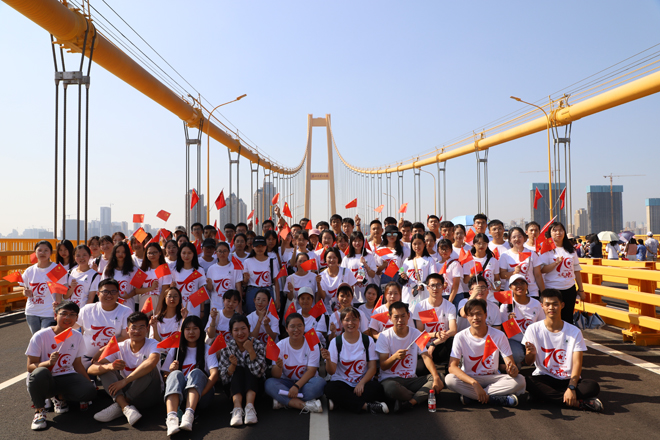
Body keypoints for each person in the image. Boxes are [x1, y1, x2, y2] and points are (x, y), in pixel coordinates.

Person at [522, 289, 603, 412]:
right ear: (542, 306)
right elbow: (528, 362)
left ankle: (545, 396)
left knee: (592, 386)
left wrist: (571, 387)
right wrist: (530, 354)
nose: (551, 308)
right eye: (547, 304)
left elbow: (577, 363)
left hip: (568, 379)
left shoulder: (574, 331)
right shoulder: (533, 329)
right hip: (545, 377)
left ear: (562, 305)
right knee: (526, 381)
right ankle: (577, 403)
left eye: (555, 304)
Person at [26, 301, 97, 430]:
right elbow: (30, 366)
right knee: (40, 372)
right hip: (45, 378)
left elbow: (77, 364)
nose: (68, 318)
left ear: (76, 318)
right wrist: (49, 363)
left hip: (65, 375)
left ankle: (59, 397)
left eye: (72, 314)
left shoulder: (77, 336)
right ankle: (39, 411)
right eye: (64, 314)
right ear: (55, 316)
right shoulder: (40, 336)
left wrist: (89, 384)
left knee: (89, 391)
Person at [446, 298, 525, 407]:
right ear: (467, 317)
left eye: (479, 314)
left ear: (485, 315)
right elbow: (452, 367)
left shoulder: (499, 335)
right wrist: (474, 383)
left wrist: (512, 370)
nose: (475, 318)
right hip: (470, 378)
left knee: (520, 380)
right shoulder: (460, 336)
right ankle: (496, 399)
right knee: (450, 380)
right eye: (471, 315)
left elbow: (511, 366)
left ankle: (474, 396)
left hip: (493, 378)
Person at [89, 312, 162, 426]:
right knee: (104, 369)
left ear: (147, 329)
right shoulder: (121, 346)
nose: (137, 331)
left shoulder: (153, 343)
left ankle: (120, 404)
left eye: (141, 327)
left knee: (150, 368)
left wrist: (125, 381)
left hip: (149, 393)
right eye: (134, 327)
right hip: (128, 389)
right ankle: (125, 407)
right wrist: (110, 366)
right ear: (127, 330)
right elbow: (91, 369)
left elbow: (152, 362)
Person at [375, 301, 443, 412]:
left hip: (411, 379)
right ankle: (422, 396)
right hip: (391, 380)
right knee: (391, 388)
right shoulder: (384, 336)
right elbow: (383, 366)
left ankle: (410, 402)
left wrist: (435, 377)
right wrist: (394, 357)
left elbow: (426, 357)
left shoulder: (416, 333)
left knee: (439, 377)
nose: (400, 320)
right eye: (396, 317)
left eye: (403, 316)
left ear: (408, 316)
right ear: (390, 318)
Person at [321, 307, 389, 414]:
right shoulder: (336, 342)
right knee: (330, 389)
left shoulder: (368, 340)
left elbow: (372, 368)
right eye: (347, 320)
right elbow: (331, 371)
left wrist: (361, 383)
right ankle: (366, 406)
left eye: (354, 319)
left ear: (359, 321)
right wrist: (329, 360)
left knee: (377, 388)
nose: (350, 323)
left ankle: (341, 403)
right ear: (341, 322)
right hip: (342, 382)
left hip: (362, 383)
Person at [162, 315, 219, 436]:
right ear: (183, 332)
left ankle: (189, 415)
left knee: (196, 372)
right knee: (175, 374)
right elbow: (165, 376)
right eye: (187, 329)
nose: (191, 332)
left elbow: (214, 375)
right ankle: (171, 418)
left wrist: (199, 394)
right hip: (180, 396)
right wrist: (170, 371)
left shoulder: (207, 349)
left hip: (202, 397)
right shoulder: (175, 350)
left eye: (195, 328)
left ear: (201, 330)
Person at [265, 313, 326, 413]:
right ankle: (304, 405)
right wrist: (279, 367)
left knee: (320, 383)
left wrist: (296, 386)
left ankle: (284, 401)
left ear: (304, 327)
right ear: (286, 329)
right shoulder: (280, 346)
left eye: (299, 326)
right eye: (292, 326)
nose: (296, 330)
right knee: (269, 384)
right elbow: (275, 375)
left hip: (306, 383)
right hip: (287, 383)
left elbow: (311, 371)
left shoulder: (312, 344)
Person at [218, 315, 267, 426]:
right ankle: (237, 409)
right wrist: (232, 366)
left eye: (243, 328)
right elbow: (224, 378)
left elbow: (259, 372)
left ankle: (250, 407)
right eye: (236, 330)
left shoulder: (258, 344)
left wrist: (251, 351)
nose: (240, 333)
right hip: (233, 390)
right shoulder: (227, 347)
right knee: (238, 369)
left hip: (256, 389)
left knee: (248, 368)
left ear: (249, 328)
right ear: (231, 332)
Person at [77, 279, 132, 368]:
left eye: (113, 292)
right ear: (98, 294)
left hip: (111, 359)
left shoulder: (125, 311)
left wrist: (102, 351)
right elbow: (72, 326)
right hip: (86, 357)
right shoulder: (87, 309)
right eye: (105, 292)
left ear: (118, 294)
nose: (109, 295)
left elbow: (125, 337)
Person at [411, 273, 457, 372]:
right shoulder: (421, 306)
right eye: (432, 285)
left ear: (443, 287)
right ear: (427, 288)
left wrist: (434, 343)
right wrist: (435, 334)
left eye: (438, 285)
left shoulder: (449, 306)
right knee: (420, 370)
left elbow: (453, 330)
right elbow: (419, 333)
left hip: (441, 344)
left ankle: (449, 368)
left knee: (453, 340)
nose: (435, 288)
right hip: (425, 346)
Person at [540, 222, 584, 323]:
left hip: (569, 288)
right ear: (550, 233)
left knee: (568, 318)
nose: (558, 233)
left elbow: (576, 270)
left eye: (560, 230)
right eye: (554, 230)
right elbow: (542, 270)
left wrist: (581, 289)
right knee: (553, 318)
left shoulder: (571, 249)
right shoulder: (546, 250)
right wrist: (555, 263)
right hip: (552, 289)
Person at [499, 274, 544, 369]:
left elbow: (542, 325)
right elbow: (503, 333)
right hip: (514, 340)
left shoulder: (536, 303)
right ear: (510, 287)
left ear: (527, 286)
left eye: (522, 283)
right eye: (515, 283)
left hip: (532, 340)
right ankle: (519, 364)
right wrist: (509, 323)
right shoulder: (505, 306)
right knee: (516, 355)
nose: (519, 286)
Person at [22, 241, 65, 334]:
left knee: (45, 337)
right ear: (35, 252)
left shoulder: (57, 269)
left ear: (50, 253)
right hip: (32, 312)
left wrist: (57, 310)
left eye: (46, 250)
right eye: (40, 250)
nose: (43, 253)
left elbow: (59, 292)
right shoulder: (29, 270)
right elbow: (24, 289)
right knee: (36, 338)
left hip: (49, 312)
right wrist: (25, 292)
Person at [500, 227, 544, 297]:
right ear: (510, 240)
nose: (517, 239)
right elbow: (502, 275)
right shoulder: (505, 255)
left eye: (520, 236)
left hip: (531, 292)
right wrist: (513, 273)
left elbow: (538, 275)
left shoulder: (532, 254)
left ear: (524, 238)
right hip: (512, 292)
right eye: (514, 237)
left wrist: (543, 293)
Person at [242, 235, 280, 315]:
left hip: (268, 291)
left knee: (268, 316)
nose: (260, 248)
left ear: (266, 247)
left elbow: (276, 282)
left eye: (262, 246)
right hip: (252, 292)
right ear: (253, 247)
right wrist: (245, 279)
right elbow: (244, 283)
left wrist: (278, 299)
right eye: (257, 246)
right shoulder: (247, 261)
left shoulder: (272, 261)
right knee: (252, 316)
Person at [398, 233, 438, 306]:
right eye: (414, 244)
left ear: (424, 244)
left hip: (423, 295)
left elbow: (433, 277)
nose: (417, 246)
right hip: (407, 296)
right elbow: (400, 274)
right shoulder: (407, 260)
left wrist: (422, 286)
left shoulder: (430, 260)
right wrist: (403, 277)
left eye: (419, 243)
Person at [171, 242, 208, 318]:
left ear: (193, 254)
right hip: (178, 309)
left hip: (194, 309)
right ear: (180, 254)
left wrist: (202, 310)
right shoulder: (175, 271)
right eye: (184, 253)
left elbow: (201, 291)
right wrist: (171, 287)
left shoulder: (199, 270)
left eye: (189, 253)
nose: (186, 256)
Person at [341, 231, 378, 304]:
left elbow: (372, 275)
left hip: (367, 296)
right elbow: (343, 276)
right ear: (351, 242)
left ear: (363, 242)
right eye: (355, 241)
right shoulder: (346, 259)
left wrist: (365, 264)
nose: (357, 243)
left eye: (359, 240)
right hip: (353, 297)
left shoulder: (369, 256)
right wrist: (355, 281)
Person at [206, 241, 244, 313]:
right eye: (219, 251)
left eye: (225, 251)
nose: (222, 253)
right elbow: (210, 289)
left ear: (229, 252)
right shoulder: (211, 269)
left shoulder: (235, 267)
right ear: (216, 253)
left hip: (231, 305)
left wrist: (239, 306)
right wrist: (209, 283)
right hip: (216, 304)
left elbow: (239, 288)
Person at [318, 247, 357, 313]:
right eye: (329, 257)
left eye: (334, 257)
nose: (332, 260)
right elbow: (323, 297)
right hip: (329, 312)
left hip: (346, 310)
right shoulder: (321, 276)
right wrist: (318, 283)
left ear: (338, 258)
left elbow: (351, 290)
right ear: (325, 259)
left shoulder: (346, 272)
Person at [137, 242, 172, 315]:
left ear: (160, 253)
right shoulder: (142, 269)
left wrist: (158, 307)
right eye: (149, 253)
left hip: (158, 299)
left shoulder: (164, 268)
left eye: (155, 252)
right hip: (144, 300)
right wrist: (151, 288)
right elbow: (137, 290)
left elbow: (164, 290)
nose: (152, 255)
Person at [102, 242, 138, 311]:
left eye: (123, 252)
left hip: (128, 305)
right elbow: (103, 286)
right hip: (111, 304)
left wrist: (128, 296)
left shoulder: (133, 269)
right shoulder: (108, 268)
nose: (120, 254)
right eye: (118, 252)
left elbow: (137, 289)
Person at [467, 234, 501, 304]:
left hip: (491, 298)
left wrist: (497, 286)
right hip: (475, 298)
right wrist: (472, 275)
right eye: (479, 243)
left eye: (484, 243)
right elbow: (465, 281)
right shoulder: (469, 260)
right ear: (474, 244)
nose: (481, 245)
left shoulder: (493, 260)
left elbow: (497, 279)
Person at [65, 244, 100, 309]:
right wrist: (72, 288)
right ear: (74, 257)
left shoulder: (94, 275)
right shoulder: (69, 273)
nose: (81, 258)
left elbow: (90, 298)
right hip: (69, 311)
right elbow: (65, 296)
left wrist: (84, 313)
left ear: (89, 256)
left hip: (83, 311)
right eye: (78, 255)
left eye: (84, 255)